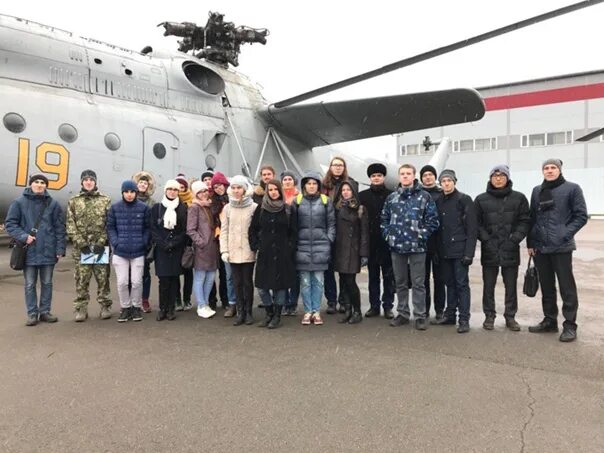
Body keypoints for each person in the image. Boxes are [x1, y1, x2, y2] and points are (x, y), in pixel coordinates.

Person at [527, 159, 588, 342]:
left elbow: (581, 216)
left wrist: (564, 233)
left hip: (561, 246)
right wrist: (531, 243)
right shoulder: (537, 191)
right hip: (540, 247)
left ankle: (570, 325)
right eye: (546, 168)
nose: (550, 170)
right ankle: (550, 320)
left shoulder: (572, 189)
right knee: (546, 286)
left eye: (553, 168)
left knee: (566, 287)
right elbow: (533, 217)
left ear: (560, 170)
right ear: (542, 171)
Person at [381, 164, 439, 331]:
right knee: (400, 282)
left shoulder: (424, 197)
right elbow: (384, 219)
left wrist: (421, 235)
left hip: (417, 248)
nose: (405, 176)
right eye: (402, 174)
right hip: (397, 247)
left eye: (408, 174)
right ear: (399, 177)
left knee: (419, 283)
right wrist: (388, 235)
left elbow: (433, 221)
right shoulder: (392, 198)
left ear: (414, 176)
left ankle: (420, 315)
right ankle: (403, 313)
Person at [474, 165, 530, 331]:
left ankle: (510, 316)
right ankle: (489, 316)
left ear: (507, 178)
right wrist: (485, 239)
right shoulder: (480, 199)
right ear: (490, 178)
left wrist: (515, 239)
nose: (498, 179)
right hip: (489, 249)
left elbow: (525, 220)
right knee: (488, 285)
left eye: (502, 176)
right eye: (495, 176)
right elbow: (476, 223)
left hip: (510, 248)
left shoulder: (519, 198)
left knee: (510, 286)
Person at [5, 174, 65, 326]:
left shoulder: (53, 204)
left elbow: (59, 228)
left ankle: (45, 312)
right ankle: (32, 314)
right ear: (31, 184)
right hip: (29, 251)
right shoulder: (19, 203)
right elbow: (11, 224)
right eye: (36, 182)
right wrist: (24, 236)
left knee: (47, 283)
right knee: (30, 284)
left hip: (48, 250)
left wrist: (60, 249)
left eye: (42, 183)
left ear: (46, 186)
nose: (39, 185)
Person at [249, 179, 297, 329]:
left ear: (280, 191)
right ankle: (268, 313)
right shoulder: (261, 209)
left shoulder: (288, 209)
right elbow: (253, 229)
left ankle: (277, 315)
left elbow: (293, 233)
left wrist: (289, 248)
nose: (273, 192)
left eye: (276, 189)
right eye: (270, 190)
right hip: (265, 252)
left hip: (282, 253)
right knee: (262, 286)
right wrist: (256, 245)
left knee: (280, 286)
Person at [65, 169, 112, 322]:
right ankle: (81, 308)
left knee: (102, 279)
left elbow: (109, 223)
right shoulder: (74, 201)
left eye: (91, 179)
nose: (88, 182)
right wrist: (81, 242)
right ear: (81, 182)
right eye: (85, 179)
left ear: (95, 182)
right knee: (82, 279)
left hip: (99, 247)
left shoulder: (105, 200)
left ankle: (105, 306)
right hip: (82, 248)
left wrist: (101, 241)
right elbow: (70, 224)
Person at [434, 169, 478, 334]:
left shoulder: (464, 200)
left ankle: (464, 318)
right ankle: (450, 314)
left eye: (449, 181)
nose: (446, 183)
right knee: (449, 283)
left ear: (454, 182)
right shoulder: (438, 201)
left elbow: (472, 229)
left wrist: (469, 253)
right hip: (444, 250)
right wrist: (436, 251)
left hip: (459, 250)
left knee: (461, 285)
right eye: (443, 181)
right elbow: (437, 228)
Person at [294, 171, 336, 325]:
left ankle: (316, 311)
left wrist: (328, 240)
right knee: (305, 282)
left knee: (318, 281)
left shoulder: (326, 201)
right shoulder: (297, 201)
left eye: (314, 183)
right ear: (304, 185)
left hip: (321, 247)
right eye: (309, 183)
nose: (311, 186)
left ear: (318, 186)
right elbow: (293, 224)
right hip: (302, 247)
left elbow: (331, 223)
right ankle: (307, 311)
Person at [107, 180, 150, 322]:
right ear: (122, 193)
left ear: (136, 193)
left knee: (137, 282)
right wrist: (115, 243)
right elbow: (111, 227)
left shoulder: (144, 208)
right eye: (126, 192)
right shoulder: (115, 208)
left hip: (138, 251)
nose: (129, 195)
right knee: (122, 282)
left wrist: (143, 242)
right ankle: (125, 308)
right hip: (120, 252)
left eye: (132, 192)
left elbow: (147, 228)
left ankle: (136, 307)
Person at [220, 175, 258, 326]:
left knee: (247, 282)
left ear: (244, 189)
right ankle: (240, 312)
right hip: (233, 250)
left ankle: (248, 312)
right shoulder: (228, 208)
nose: (236, 191)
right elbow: (224, 231)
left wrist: (256, 247)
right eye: (234, 188)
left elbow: (256, 230)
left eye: (239, 188)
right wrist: (224, 250)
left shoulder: (254, 207)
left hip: (248, 250)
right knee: (236, 282)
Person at [322, 156, 358, 314]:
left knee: (345, 271)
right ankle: (331, 300)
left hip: (345, 233)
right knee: (328, 270)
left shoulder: (350, 183)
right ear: (330, 167)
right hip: (328, 230)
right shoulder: (323, 186)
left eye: (340, 165)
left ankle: (345, 301)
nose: (337, 168)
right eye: (335, 165)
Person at [358, 163, 394, 319]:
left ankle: (388, 306)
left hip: (387, 242)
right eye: (373, 176)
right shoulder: (362, 196)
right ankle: (374, 306)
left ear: (383, 177)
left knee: (388, 277)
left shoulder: (392, 195)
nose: (376, 178)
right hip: (371, 242)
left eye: (379, 175)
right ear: (370, 178)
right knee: (373, 277)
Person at [150, 180, 188, 321]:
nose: (172, 192)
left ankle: (171, 308)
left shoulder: (183, 208)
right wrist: (163, 243)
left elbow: (184, 230)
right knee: (163, 280)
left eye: (175, 189)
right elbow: (153, 228)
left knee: (174, 280)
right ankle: (162, 308)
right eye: (170, 189)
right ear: (165, 190)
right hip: (162, 249)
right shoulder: (157, 208)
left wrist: (174, 242)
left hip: (176, 248)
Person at [333, 181, 369, 324]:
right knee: (343, 281)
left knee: (350, 281)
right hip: (340, 248)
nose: (346, 192)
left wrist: (364, 253)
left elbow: (364, 233)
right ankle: (347, 310)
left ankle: (357, 311)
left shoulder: (360, 209)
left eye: (348, 189)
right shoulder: (337, 207)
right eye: (343, 190)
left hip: (353, 249)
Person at [187, 181, 218, 319]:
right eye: (200, 192)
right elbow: (190, 229)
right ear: (195, 194)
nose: (203, 194)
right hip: (202, 248)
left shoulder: (210, 206)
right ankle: (200, 305)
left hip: (213, 247)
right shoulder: (194, 207)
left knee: (211, 277)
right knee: (200, 277)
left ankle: (205, 303)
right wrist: (202, 243)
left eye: (205, 190)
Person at [419, 164, 446, 323]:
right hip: (422, 244)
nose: (428, 177)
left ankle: (440, 309)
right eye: (425, 175)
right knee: (422, 281)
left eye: (430, 174)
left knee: (439, 279)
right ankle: (424, 309)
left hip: (439, 243)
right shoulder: (418, 195)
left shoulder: (442, 194)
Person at [210, 171, 237, 316]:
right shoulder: (214, 203)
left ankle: (239, 302)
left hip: (238, 240)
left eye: (220, 185)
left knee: (239, 275)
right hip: (222, 241)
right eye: (215, 187)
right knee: (227, 275)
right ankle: (230, 302)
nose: (218, 189)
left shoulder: (235, 199)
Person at [133, 171, 156, 313]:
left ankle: (144, 300)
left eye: (145, 183)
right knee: (131, 275)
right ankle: (132, 300)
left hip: (145, 242)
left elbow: (153, 224)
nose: (142, 185)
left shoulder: (152, 203)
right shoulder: (129, 199)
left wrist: (150, 242)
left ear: (148, 186)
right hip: (131, 242)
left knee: (145, 274)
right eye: (140, 182)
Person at [281, 170, 301, 316]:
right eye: (285, 179)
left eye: (290, 179)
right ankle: (284, 301)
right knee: (282, 273)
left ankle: (292, 303)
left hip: (295, 239)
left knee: (295, 274)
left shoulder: (299, 197)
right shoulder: (277, 197)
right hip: (281, 240)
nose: (287, 181)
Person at [175, 173, 194, 311]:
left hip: (188, 241)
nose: (180, 190)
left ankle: (187, 299)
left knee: (188, 271)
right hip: (175, 242)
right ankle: (177, 300)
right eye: (178, 187)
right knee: (175, 272)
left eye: (183, 187)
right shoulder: (170, 202)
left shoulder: (191, 203)